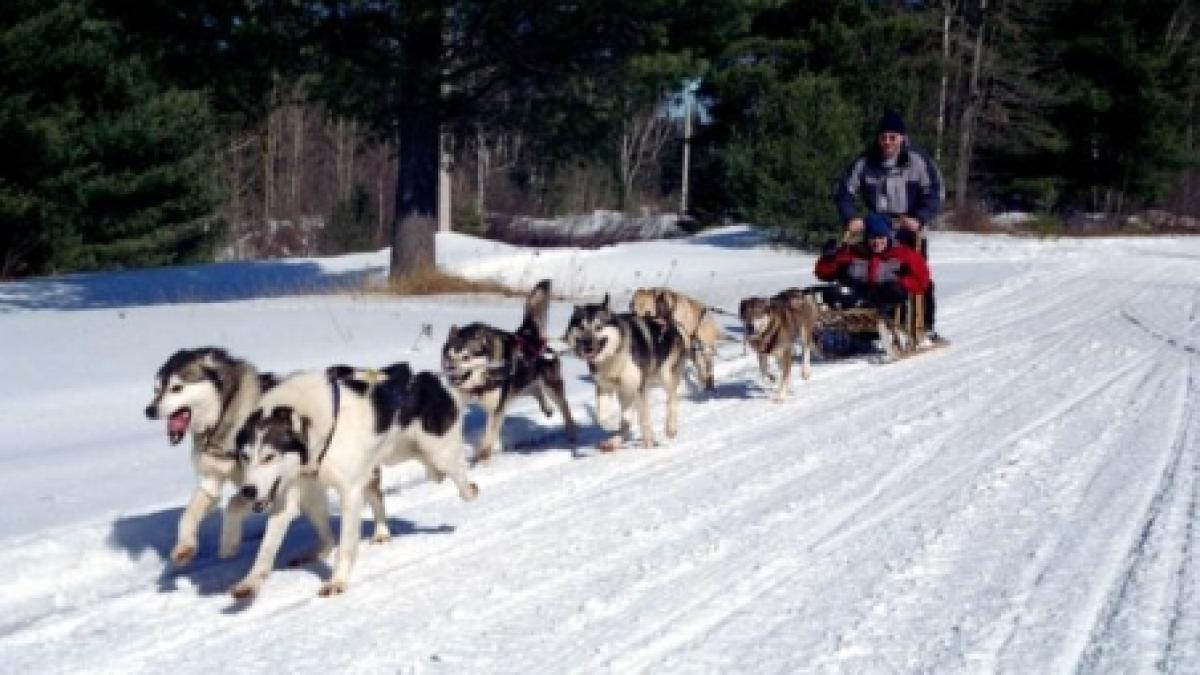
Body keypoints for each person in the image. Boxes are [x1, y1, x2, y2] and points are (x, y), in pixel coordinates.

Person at [834, 109, 944, 342]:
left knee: (916, 276)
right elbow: (844, 191)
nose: (887, 142)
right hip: (877, 227)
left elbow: (935, 192)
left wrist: (920, 217)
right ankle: (867, 325)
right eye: (883, 137)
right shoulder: (865, 162)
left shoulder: (918, 161)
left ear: (902, 138)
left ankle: (924, 326)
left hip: (909, 226)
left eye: (892, 137)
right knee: (867, 275)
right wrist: (850, 217)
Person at [814, 214, 931, 319]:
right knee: (831, 292)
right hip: (857, 296)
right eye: (872, 238)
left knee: (894, 291)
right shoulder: (854, 252)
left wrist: (902, 283)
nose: (877, 242)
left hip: (887, 300)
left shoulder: (903, 254)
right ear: (866, 238)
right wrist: (828, 258)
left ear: (888, 237)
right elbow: (823, 273)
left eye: (881, 238)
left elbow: (922, 279)